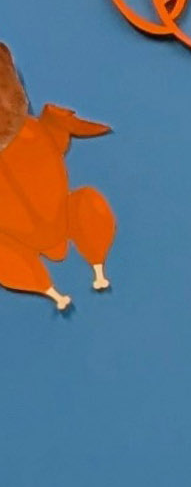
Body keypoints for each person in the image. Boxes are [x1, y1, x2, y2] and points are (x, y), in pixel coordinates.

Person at [0, 44, 117, 313]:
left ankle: (93, 268)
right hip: (18, 237)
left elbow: (56, 129)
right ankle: (53, 288)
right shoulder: (38, 128)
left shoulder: (35, 129)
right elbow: (57, 133)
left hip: (60, 212)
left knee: (85, 200)